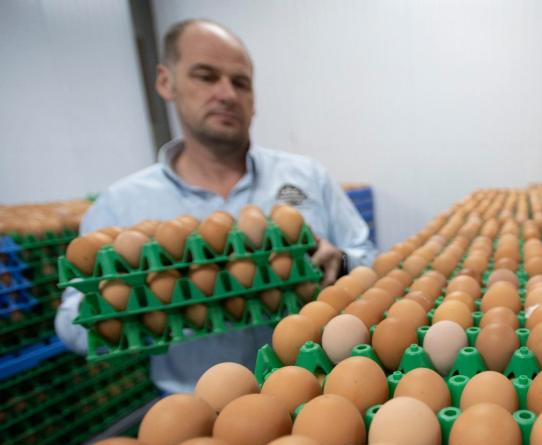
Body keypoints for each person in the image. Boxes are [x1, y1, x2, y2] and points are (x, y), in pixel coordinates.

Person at [55, 19, 376, 393]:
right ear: (165, 82)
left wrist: (343, 264)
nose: (226, 94)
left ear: (253, 99)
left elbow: (370, 260)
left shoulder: (307, 177)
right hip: (197, 414)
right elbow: (72, 325)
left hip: (317, 393)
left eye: (240, 83)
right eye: (205, 76)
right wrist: (146, 298)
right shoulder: (123, 204)